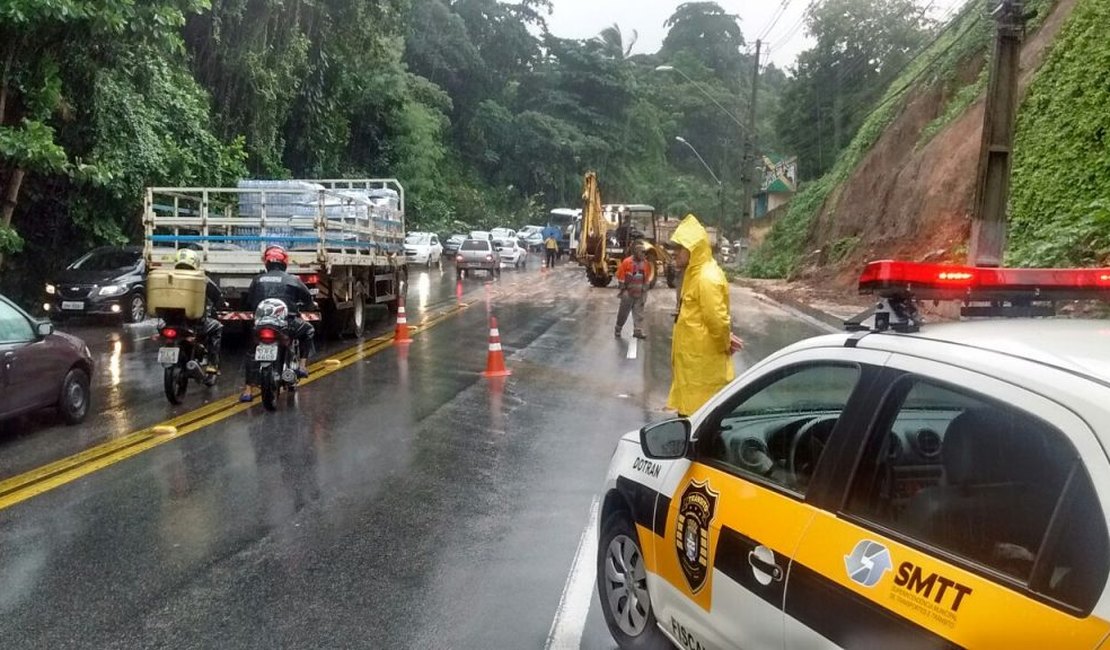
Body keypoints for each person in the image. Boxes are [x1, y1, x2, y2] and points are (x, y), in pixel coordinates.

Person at [666, 214, 744, 417]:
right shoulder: (694, 274)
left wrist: (723, 343)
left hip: (702, 371)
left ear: (693, 249)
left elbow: (717, 321)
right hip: (694, 370)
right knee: (691, 418)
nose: (675, 253)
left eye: (680, 248)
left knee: (698, 423)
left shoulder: (706, 278)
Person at [240, 245, 316, 402]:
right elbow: (308, 300)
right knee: (308, 330)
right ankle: (302, 366)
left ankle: (248, 390)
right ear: (284, 262)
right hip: (286, 324)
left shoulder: (257, 280)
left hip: (261, 325)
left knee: (251, 350)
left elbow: (248, 302)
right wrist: (310, 307)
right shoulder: (293, 279)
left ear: (267, 263)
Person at [171, 248, 224, 375]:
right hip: (195, 324)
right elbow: (216, 295)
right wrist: (221, 304)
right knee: (217, 327)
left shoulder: (169, 277)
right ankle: (212, 364)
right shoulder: (201, 279)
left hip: (170, 321)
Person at [615, 242, 652, 339]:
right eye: (642, 252)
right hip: (628, 292)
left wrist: (645, 290)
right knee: (623, 313)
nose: (644, 254)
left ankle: (638, 331)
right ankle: (618, 328)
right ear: (635, 252)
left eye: (644, 252)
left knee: (639, 313)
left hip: (640, 292)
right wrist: (623, 289)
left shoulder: (646, 264)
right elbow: (621, 277)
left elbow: (647, 278)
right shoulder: (627, 262)